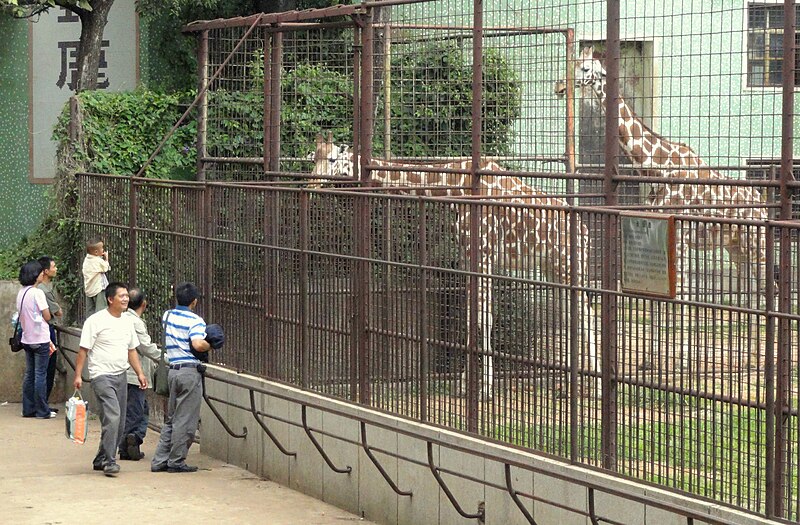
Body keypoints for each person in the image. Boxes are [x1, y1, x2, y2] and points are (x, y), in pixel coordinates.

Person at [74, 282, 147, 477]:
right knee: (113, 417)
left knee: (119, 421)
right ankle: (109, 461)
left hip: (121, 375)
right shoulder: (95, 321)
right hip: (101, 375)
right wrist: (78, 375)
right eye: (121, 296)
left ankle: (100, 457)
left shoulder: (127, 322)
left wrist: (139, 373)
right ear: (110, 299)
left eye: (126, 296)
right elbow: (83, 350)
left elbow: (131, 350)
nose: (125, 299)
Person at [151, 282, 210, 474]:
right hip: (189, 372)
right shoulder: (196, 321)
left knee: (172, 417)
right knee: (186, 419)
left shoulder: (167, 316)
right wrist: (210, 343)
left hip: (173, 371)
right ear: (194, 301)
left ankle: (160, 459)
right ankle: (176, 461)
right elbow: (198, 344)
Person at [119, 288, 161, 461]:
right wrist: (165, 358)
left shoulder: (121, 317)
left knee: (138, 409)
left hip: (122, 371)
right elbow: (145, 347)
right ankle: (128, 441)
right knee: (136, 411)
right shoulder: (135, 322)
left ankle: (131, 442)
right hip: (135, 373)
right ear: (144, 304)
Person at [17, 261, 55, 419]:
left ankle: (28, 408)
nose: (42, 274)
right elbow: (46, 315)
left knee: (30, 374)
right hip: (41, 338)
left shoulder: (21, 293)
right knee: (40, 374)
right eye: (39, 272)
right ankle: (42, 410)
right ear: (34, 275)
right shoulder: (37, 293)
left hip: (27, 338)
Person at [37, 256, 62, 405]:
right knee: (47, 367)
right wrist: (57, 309)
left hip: (45, 329)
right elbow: (57, 312)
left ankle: (41, 403)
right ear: (46, 271)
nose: (56, 269)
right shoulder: (43, 290)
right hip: (47, 330)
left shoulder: (46, 287)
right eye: (53, 267)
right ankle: (42, 403)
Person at [82, 237, 110, 319]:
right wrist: (106, 258)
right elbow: (106, 268)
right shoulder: (97, 261)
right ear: (96, 252)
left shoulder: (87, 260)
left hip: (89, 289)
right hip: (98, 289)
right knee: (101, 311)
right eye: (102, 248)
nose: (103, 250)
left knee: (90, 311)